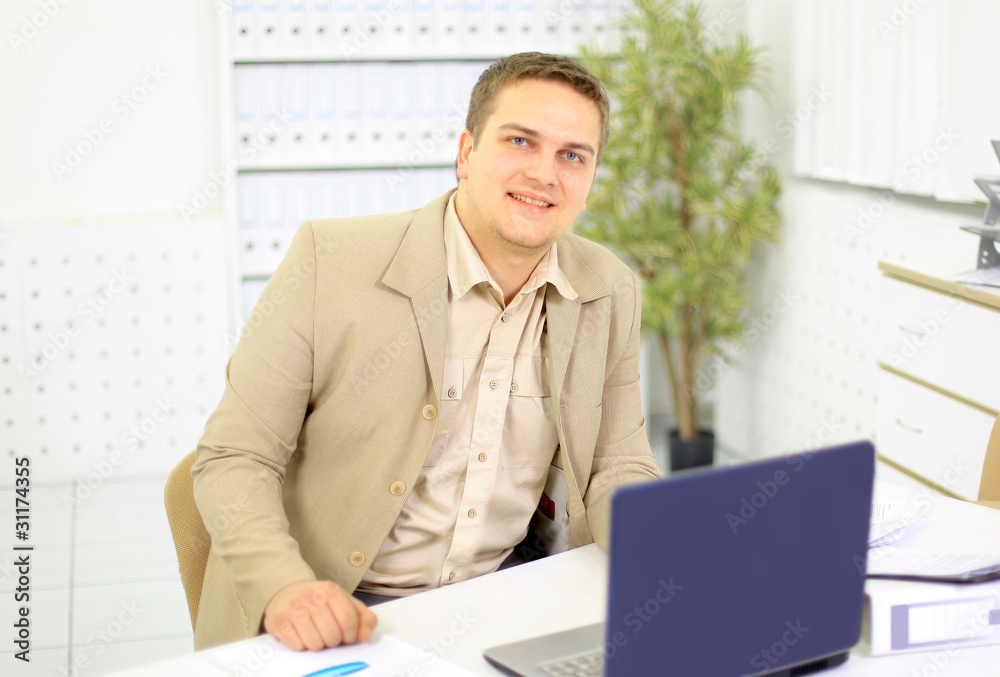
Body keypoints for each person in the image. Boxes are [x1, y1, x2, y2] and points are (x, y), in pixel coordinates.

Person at [190, 51, 662, 652]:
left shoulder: (608, 287)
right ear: (466, 152)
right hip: (344, 607)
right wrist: (286, 589)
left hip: (509, 594)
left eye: (574, 155)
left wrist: (666, 545)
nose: (546, 173)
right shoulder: (329, 261)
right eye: (521, 141)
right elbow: (235, 454)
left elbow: (619, 463)